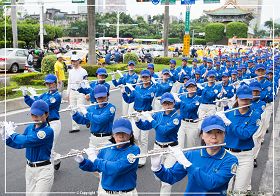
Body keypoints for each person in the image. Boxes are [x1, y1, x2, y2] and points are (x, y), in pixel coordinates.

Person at [151, 115, 238, 195]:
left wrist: (188, 165)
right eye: (209, 132)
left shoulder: (231, 160)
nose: (214, 137)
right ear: (202, 135)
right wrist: (157, 168)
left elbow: (211, 183)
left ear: (224, 134)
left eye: (218, 132)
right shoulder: (191, 155)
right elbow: (171, 177)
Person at [74, 118, 140, 195]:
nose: (121, 136)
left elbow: (116, 168)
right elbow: (96, 167)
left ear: (131, 135)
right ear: (113, 134)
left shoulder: (133, 150)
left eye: (125, 133)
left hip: (124, 193)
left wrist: (94, 158)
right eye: (118, 133)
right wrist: (82, 161)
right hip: (104, 191)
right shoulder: (107, 147)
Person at [1, 100, 54, 195]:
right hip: (29, 170)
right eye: (33, 115)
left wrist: (12, 133)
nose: (35, 118)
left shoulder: (47, 131)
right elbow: (20, 144)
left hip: (44, 170)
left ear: (46, 115)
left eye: (38, 115)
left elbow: (25, 140)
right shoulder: (29, 128)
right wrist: (6, 137)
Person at [217, 85, 261, 194]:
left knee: (239, 191)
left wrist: (229, 123)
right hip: (227, 154)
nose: (245, 102)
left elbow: (244, 134)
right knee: (225, 189)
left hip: (245, 156)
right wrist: (218, 114)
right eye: (242, 99)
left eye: (247, 99)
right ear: (237, 98)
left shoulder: (255, 115)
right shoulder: (229, 113)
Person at [135, 92, 181, 196]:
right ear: (162, 104)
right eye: (165, 104)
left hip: (171, 149)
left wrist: (150, 118)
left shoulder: (176, 118)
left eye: (169, 103)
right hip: (157, 148)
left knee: (166, 181)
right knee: (157, 174)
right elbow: (145, 126)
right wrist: (137, 119)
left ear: (174, 103)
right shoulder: (158, 114)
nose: (167, 106)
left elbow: (163, 131)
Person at [22, 74, 62, 170]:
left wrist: (35, 95)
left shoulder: (56, 96)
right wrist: (26, 96)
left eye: (51, 83)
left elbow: (46, 106)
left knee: (49, 147)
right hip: (43, 123)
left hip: (53, 123)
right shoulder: (45, 95)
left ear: (55, 83)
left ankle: (49, 170)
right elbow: (35, 106)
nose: (49, 85)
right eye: (47, 84)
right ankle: (56, 158)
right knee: (45, 146)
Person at [121, 69, 157, 167]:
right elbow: (129, 100)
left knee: (144, 138)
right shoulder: (138, 88)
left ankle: (143, 158)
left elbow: (143, 98)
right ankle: (137, 155)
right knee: (135, 137)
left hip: (146, 114)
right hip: (136, 114)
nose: (145, 79)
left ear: (150, 78)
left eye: (147, 77)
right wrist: (124, 92)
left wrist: (133, 90)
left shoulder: (153, 89)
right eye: (143, 77)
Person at [174, 79, 201, 148]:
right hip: (182, 123)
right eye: (189, 87)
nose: (191, 88)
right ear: (186, 88)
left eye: (193, 86)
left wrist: (179, 101)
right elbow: (176, 107)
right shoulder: (182, 97)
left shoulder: (198, 99)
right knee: (179, 145)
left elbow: (189, 108)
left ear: (196, 87)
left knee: (191, 146)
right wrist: (173, 99)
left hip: (193, 124)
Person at [66, 55, 88, 133]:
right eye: (72, 61)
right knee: (73, 108)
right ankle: (75, 127)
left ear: (78, 61)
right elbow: (69, 82)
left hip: (80, 91)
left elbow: (86, 82)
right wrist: (68, 93)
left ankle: (87, 120)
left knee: (80, 108)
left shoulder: (83, 71)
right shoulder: (71, 71)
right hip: (72, 91)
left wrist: (86, 92)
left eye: (75, 61)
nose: (73, 63)